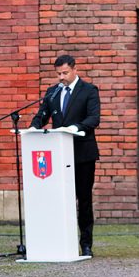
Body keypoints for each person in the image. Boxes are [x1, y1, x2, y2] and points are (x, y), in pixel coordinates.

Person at [30, 54, 100, 257]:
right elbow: (43, 114)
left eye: (65, 73)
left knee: (83, 199)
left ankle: (86, 243)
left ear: (74, 69)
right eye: (58, 73)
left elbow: (93, 118)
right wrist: (34, 127)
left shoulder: (89, 91)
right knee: (61, 198)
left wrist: (74, 127)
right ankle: (60, 240)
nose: (61, 77)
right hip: (58, 154)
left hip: (82, 153)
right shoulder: (52, 92)